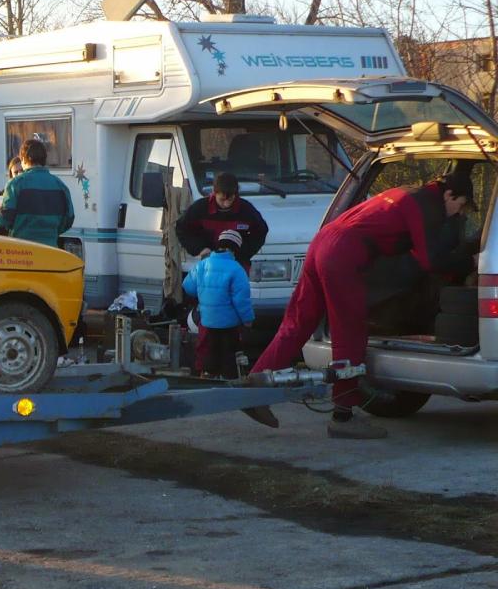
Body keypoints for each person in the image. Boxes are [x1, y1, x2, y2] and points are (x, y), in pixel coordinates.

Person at [244, 171, 476, 440]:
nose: (458, 213)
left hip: (322, 242)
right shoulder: (427, 205)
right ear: (449, 194)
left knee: (298, 322)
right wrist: (468, 262)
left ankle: (255, 388)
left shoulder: (406, 192)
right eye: (460, 206)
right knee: (350, 332)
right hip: (344, 253)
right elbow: (429, 260)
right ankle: (343, 416)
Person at [182, 230, 254, 378]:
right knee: (229, 357)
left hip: (207, 321)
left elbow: (188, 286)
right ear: (234, 250)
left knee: (210, 352)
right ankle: (229, 381)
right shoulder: (236, 269)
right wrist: (248, 319)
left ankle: (208, 376)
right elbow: (242, 300)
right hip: (229, 324)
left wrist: (204, 295)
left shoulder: (203, 265)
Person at [175, 172, 268, 272]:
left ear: (236, 194)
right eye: (222, 200)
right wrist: (199, 248)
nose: (226, 204)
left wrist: (243, 252)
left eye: (230, 199)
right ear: (214, 193)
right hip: (209, 266)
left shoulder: (246, 210)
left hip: (238, 266)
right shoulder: (200, 208)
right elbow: (182, 229)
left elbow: (261, 231)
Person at [0, 138, 74, 248]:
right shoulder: (61, 186)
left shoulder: (15, 184)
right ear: (44, 159)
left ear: (23, 159)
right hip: (50, 249)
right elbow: (69, 219)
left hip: (21, 250)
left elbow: (4, 219)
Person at [0, 156, 26, 235]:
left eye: (22, 171)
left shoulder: (33, 191)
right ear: (11, 175)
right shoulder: (3, 194)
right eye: (16, 172)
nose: (19, 174)